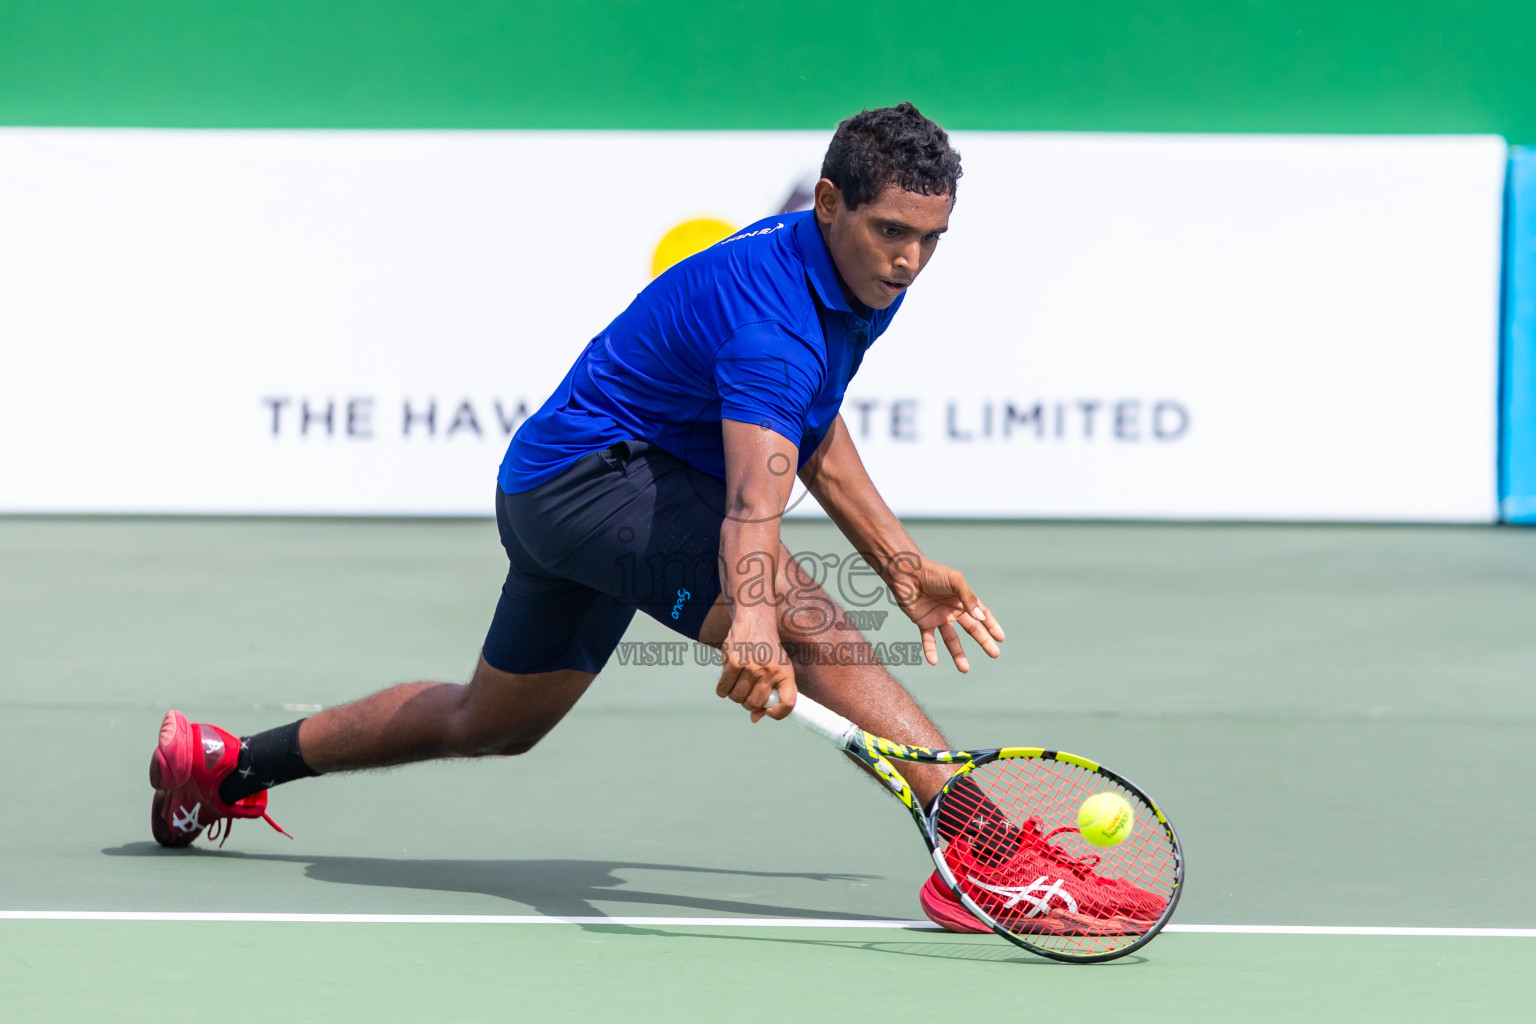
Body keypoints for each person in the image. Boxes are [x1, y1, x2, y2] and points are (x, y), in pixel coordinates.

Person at [147, 102, 1162, 933]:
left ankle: (228, 762)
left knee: (491, 721)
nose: (907, 261)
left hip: (554, 484)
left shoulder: (855, 274)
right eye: (891, 232)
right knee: (804, 610)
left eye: (931, 240)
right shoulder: (776, 316)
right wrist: (758, 623)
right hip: (594, 481)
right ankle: (976, 848)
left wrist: (900, 563)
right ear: (827, 202)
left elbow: (810, 427)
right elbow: (756, 500)